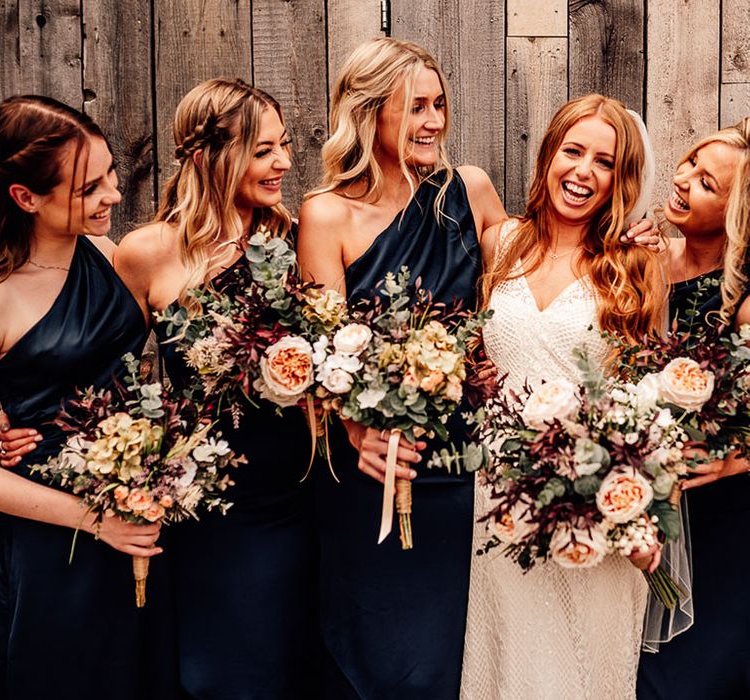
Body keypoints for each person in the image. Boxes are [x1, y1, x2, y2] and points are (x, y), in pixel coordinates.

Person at [297, 36, 506, 699]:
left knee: (452, 655)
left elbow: (533, 268)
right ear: (368, 114)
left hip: (464, 466)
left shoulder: (468, 189)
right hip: (376, 473)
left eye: (440, 104)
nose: (435, 122)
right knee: (385, 658)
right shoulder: (326, 215)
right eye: (417, 106)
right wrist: (361, 427)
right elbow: (326, 354)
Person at [114, 78, 320, 699]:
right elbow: (109, 376)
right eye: (263, 151)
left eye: (283, 145)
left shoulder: (292, 238)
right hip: (208, 508)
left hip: (302, 498)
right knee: (224, 674)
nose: (284, 162)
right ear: (207, 156)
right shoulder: (146, 253)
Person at [463, 94, 667, 699]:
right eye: (572, 151)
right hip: (499, 501)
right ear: (549, 153)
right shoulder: (500, 243)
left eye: (603, 162)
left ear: (620, 180)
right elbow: (473, 352)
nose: (582, 172)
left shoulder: (636, 264)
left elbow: (647, 399)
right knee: (507, 668)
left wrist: (639, 512)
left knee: (582, 672)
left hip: (593, 504)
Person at [0, 95, 170, 700]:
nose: (113, 195)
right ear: (25, 197)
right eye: (89, 187)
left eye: (111, 173)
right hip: (54, 543)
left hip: (140, 518)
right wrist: (96, 522)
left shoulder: (108, 257)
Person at [637, 118, 750, 699]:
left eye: (707, 183)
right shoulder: (647, 258)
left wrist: (740, 461)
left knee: (698, 675)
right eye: (688, 163)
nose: (682, 181)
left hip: (722, 517)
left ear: (738, 212)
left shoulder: (743, 292)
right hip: (641, 501)